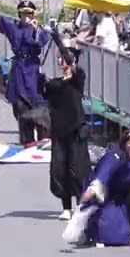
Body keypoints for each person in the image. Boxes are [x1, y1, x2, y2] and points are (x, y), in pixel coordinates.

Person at [41, 40, 91, 220]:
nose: (62, 61)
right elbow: (46, 93)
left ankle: (80, 204)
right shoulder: (55, 83)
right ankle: (66, 207)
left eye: (65, 59)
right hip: (58, 130)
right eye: (60, 58)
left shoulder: (78, 79)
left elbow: (72, 64)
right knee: (59, 168)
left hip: (76, 129)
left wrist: (57, 40)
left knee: (77, 167)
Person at [0, 1, 51, 144]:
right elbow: (0, 22)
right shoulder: (14, 28)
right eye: (24, 13)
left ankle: (44, 136)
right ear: (19, 14)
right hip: (19, 68)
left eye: (29, 13)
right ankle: (27, 139)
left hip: (32, 68)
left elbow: (43, 40)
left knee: (38, 103)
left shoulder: (37, 29)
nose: (26, 16)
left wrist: (36, 28)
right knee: (20, 105)